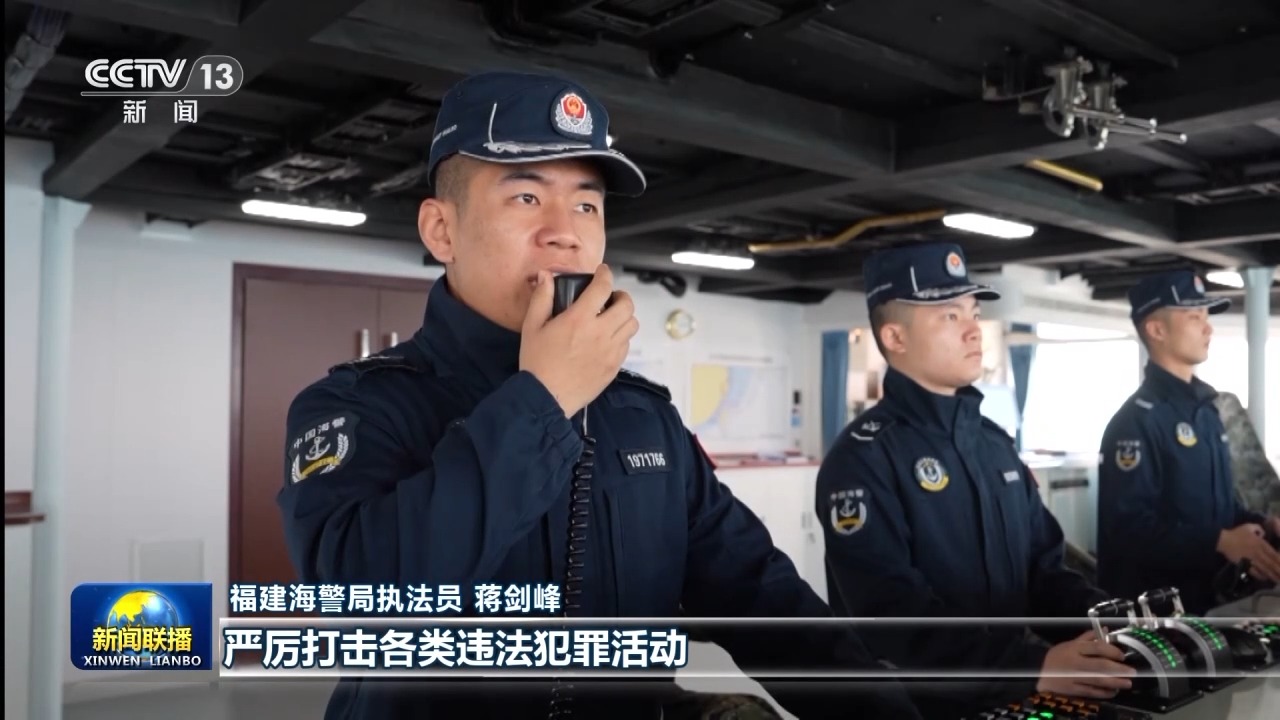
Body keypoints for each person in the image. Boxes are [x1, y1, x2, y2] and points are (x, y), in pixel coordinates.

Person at [276, 71, 923, 720]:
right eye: (526, 197)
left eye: (587, 205)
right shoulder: (356, 407)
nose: (566, 232)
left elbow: (761, 595)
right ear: (442, 230)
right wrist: (544, 399)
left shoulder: (642, 416)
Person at [817, 242, 1136, 720]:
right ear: (895, 337)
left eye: (973, 313)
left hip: (1016, 696)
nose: (973, 330)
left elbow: (1043, 571)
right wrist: (1032, 666)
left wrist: (1113, 623)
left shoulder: (993, 444)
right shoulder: (863, 459)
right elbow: (895, 621)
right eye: (949, 316)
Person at [1097, 269, 1280, 615]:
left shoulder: (1205, 412)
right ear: (1157, 330)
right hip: (1155, 615)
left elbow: (1219, 508)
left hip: (1207, 603)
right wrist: (1221, 541)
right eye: (1195, 317)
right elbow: (1129, 530)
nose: (1208, 328)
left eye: (1206, 317)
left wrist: (1261, 525)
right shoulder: (1136, 423)